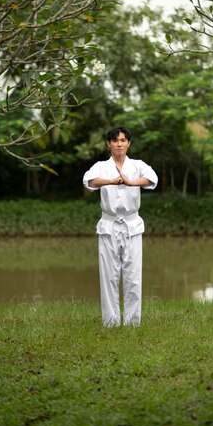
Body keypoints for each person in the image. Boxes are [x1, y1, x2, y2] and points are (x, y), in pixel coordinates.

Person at [83, 126, 158, 327]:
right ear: (109, 144)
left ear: (128, 144)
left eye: (123, 140)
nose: (119, 144)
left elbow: (152, 179)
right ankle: (111, 322)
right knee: (108, 275)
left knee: (133, 275)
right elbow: (87, 180)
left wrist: (131, 183)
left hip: (132, 224)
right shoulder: (101, 166)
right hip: (109, 224)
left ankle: (133, 322)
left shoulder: (137, 165)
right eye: (115, 140)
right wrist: (112, 181)